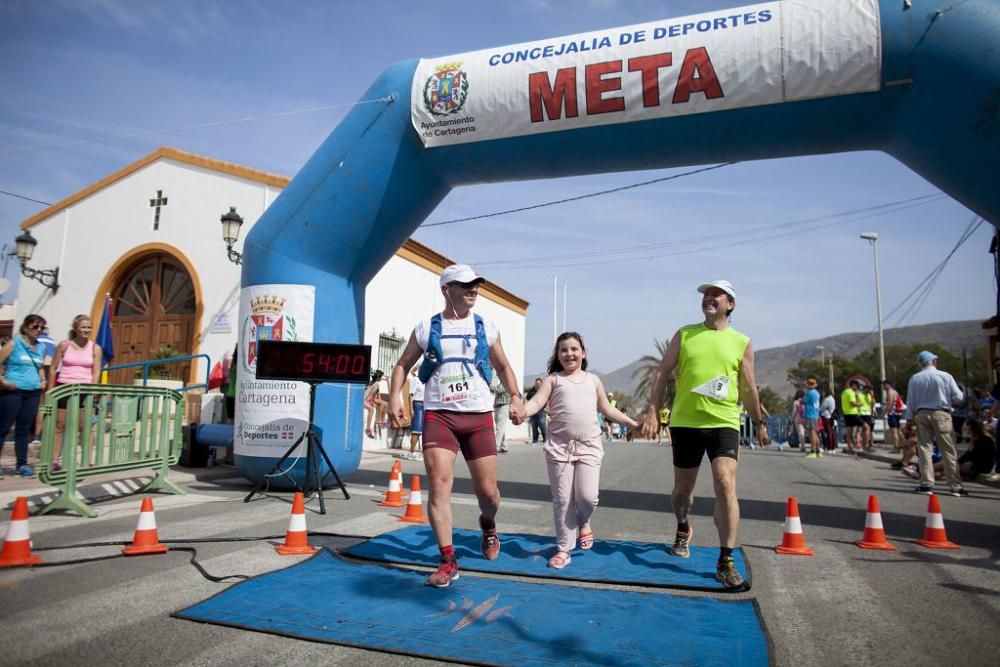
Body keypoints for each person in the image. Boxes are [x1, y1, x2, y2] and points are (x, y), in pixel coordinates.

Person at [388, 264, 524, 588]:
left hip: (478, 416)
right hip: (439, 414)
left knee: (489, 493)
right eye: (465, 285)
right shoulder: (426, 328)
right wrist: (395, 396)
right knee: (438, 483)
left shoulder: (486, 327)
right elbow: (402, 364)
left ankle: (488, 524)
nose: (473, 289)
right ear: (446, 289)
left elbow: (503, 365)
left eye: (475, 284)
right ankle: (448, 560)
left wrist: (517, 396)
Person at [640, 280, 768, 591]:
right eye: (705, 295)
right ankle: (683, 527)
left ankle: (726, 559)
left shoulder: (742, 342)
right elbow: (661, 372)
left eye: (716, 295)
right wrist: (653, 410)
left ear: (730, 304)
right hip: (686, 422)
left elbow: (749, 387)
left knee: (725, 482)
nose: (709, 298)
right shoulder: (685, 334)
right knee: (682, 491)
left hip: (724, 421)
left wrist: (759, 420)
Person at [522, 331, 638, 569]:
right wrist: (522, 411)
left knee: (587, 497)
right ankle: (564, 548)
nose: (569, 353)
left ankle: (584, 521)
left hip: (589, 447)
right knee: (563, 500)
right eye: (564, 349)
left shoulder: (593, 380)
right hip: (559, 448)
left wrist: (633, 423)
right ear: (558, 354)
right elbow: (535, 403)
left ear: (583, 353)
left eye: (574, 349)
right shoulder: (553, 380)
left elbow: (607, 409)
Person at [906, 350, 967, 496]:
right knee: (948, 450)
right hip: (942, 413)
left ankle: (926, 484)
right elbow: (958, 397)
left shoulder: (915, 378)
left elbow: (911, 401)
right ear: (933, 361)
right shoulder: (944, 376)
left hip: (921, 414)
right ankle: (955, 486)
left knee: (925, 450)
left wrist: (909, 418)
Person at [47, 314, 103, 470]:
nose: (86, 330)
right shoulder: (64, 345)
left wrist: (92, 391)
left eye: (88, 327)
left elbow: (96, 371)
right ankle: (54, 461)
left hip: (84, 390)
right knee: (60, 426)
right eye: (83, 327)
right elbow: (53, 368)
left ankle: (86, 461)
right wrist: (51, 390)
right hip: (64, 387)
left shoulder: (95, 348)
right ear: (76, 329)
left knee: (85, 427)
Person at [0, 314, 48, 478]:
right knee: (4, 428)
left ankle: (22, 464)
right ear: (26, 327)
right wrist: (3, 382)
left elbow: (40, 366)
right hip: (13, 390)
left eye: (42, 328)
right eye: (35, 327)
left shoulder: (41, 347)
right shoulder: (14, 344)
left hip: (33, 391)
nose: (38, 331)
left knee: (24, 429)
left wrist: (43, 380)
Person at [406, 367, 425, 461]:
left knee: (424, 431)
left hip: (426, 405)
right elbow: (410, 395)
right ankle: (412, 452)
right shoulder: (415, 380)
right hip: (417, 405)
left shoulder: (427, 379)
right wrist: (411, 409)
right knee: (416, 430)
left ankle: (423, 452)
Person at [840, 380, 863, 455]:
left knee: (849, 432)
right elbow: (852, 403)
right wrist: (860, 404)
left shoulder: (844, 392)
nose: (857, 388)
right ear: (853, 385)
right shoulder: (851, 392)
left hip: (846, 413)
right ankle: (863, 446)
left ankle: (851, 447)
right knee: (866, 427)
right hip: (852, 413)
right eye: (856, 386)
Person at [491, 372, 511, 454]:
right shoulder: (499, 382)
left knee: (499, 428)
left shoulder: (506, 382)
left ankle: (495, 447)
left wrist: (493, 383)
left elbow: (498, 390)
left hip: (504, 406)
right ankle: (504, 446)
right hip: (497, 406)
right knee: (501, 428)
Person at [882, 380, 903, 451]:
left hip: (893, 413)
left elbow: (890, 403)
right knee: (898, 431)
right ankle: (903, 446)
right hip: (898, 413)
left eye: (884, 385)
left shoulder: (890, 392)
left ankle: (896, 447)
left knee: (894, 431)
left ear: (888, 385)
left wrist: (885, 413)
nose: (883, 386)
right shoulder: (895, 392)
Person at [526, 378, 548, 444]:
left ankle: (545, 439)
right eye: (536, 383)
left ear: (541, 384)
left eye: (539, 383)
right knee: (534, 425)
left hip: (542, 410)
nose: (537, 385)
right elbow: (527, 399)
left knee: (542, 424)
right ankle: (535, 440)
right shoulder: (531, 391)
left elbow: (548, 399)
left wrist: (547, 408)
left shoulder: (544, 391)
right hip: (533, 411)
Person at [363, 370, 385, 439]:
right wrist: (369, 402)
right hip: (364, 400)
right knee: (371, 409)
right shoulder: (372, 384)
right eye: (381, 377)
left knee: (383, 404)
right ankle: (368, 429)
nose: (381, 379)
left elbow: (378, 396)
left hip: (369, 400)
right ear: (378, 378)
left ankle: (380, 421)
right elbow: (365, 396)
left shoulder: (376, 384)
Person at [820, 387, 838, 453]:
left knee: (829, 432)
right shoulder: (832, 398)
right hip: (831, 417)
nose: (822, 393)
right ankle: (832, 447)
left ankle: (829, 447)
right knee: (832, 432)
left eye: (823, 392)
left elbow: (822, 408)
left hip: (826, 416)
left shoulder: (827, 399)